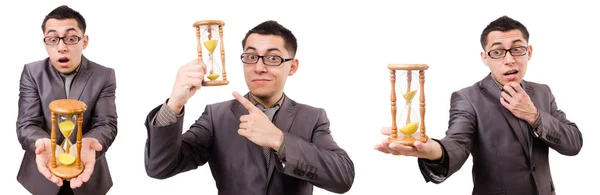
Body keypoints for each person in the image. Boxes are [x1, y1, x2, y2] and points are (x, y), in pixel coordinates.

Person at [374, 15, 583, 195]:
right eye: (498, 52)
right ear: (485, 58)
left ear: (529, 52)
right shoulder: (467, 98)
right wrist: (435, 151)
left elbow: (573, 143)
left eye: (517, 49)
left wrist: (535, 116)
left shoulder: (543, 92)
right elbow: (457, 143)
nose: (509, 60)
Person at [143, 20, 355, 195]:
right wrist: (175, 103)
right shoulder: (216, 116)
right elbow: (160, 167)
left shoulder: (312, 117)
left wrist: (279, 140)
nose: (259, 68)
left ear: (292, 66)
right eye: (251, 57)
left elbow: (342, 178)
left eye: (273, 58)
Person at [16, 5, 118, 195]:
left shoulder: (104, 75)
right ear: (45, 43)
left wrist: (90, 142)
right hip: (42, 173)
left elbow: (107, 123)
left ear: (84, 41)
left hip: (89, 171)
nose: (62, 47)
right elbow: (26, 123)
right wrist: (41, 142)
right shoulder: (32, 73)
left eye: (71, 39)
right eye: (53, 39)